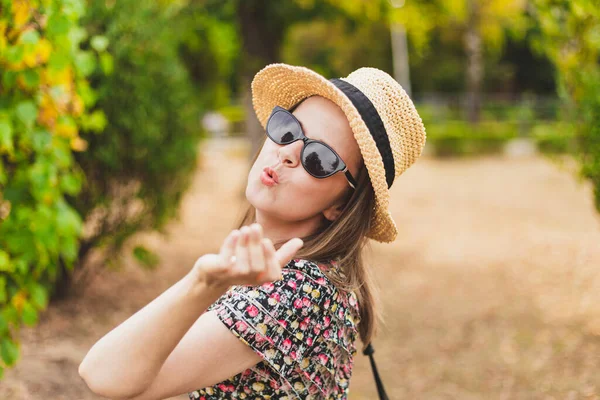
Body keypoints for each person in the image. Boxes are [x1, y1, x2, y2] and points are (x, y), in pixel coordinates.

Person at [78, 63, 427, 400]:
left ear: (341, 206)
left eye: (319, 158)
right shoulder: (317, 277)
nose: (288, 152)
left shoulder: (298, 291)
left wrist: (203, 283)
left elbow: (104, 374)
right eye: (288, 129)